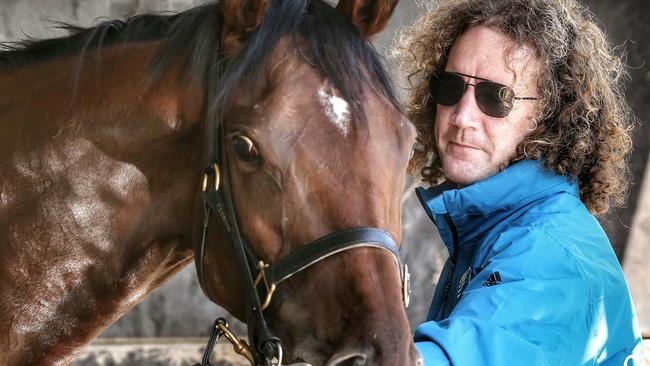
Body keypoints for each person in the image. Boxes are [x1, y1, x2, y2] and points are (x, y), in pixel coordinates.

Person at [395, 0, 645, 364]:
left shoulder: (551, 257)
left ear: (548, 117)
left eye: (496, 97)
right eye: (450, 86)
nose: (462, 116)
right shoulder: (496, 228)